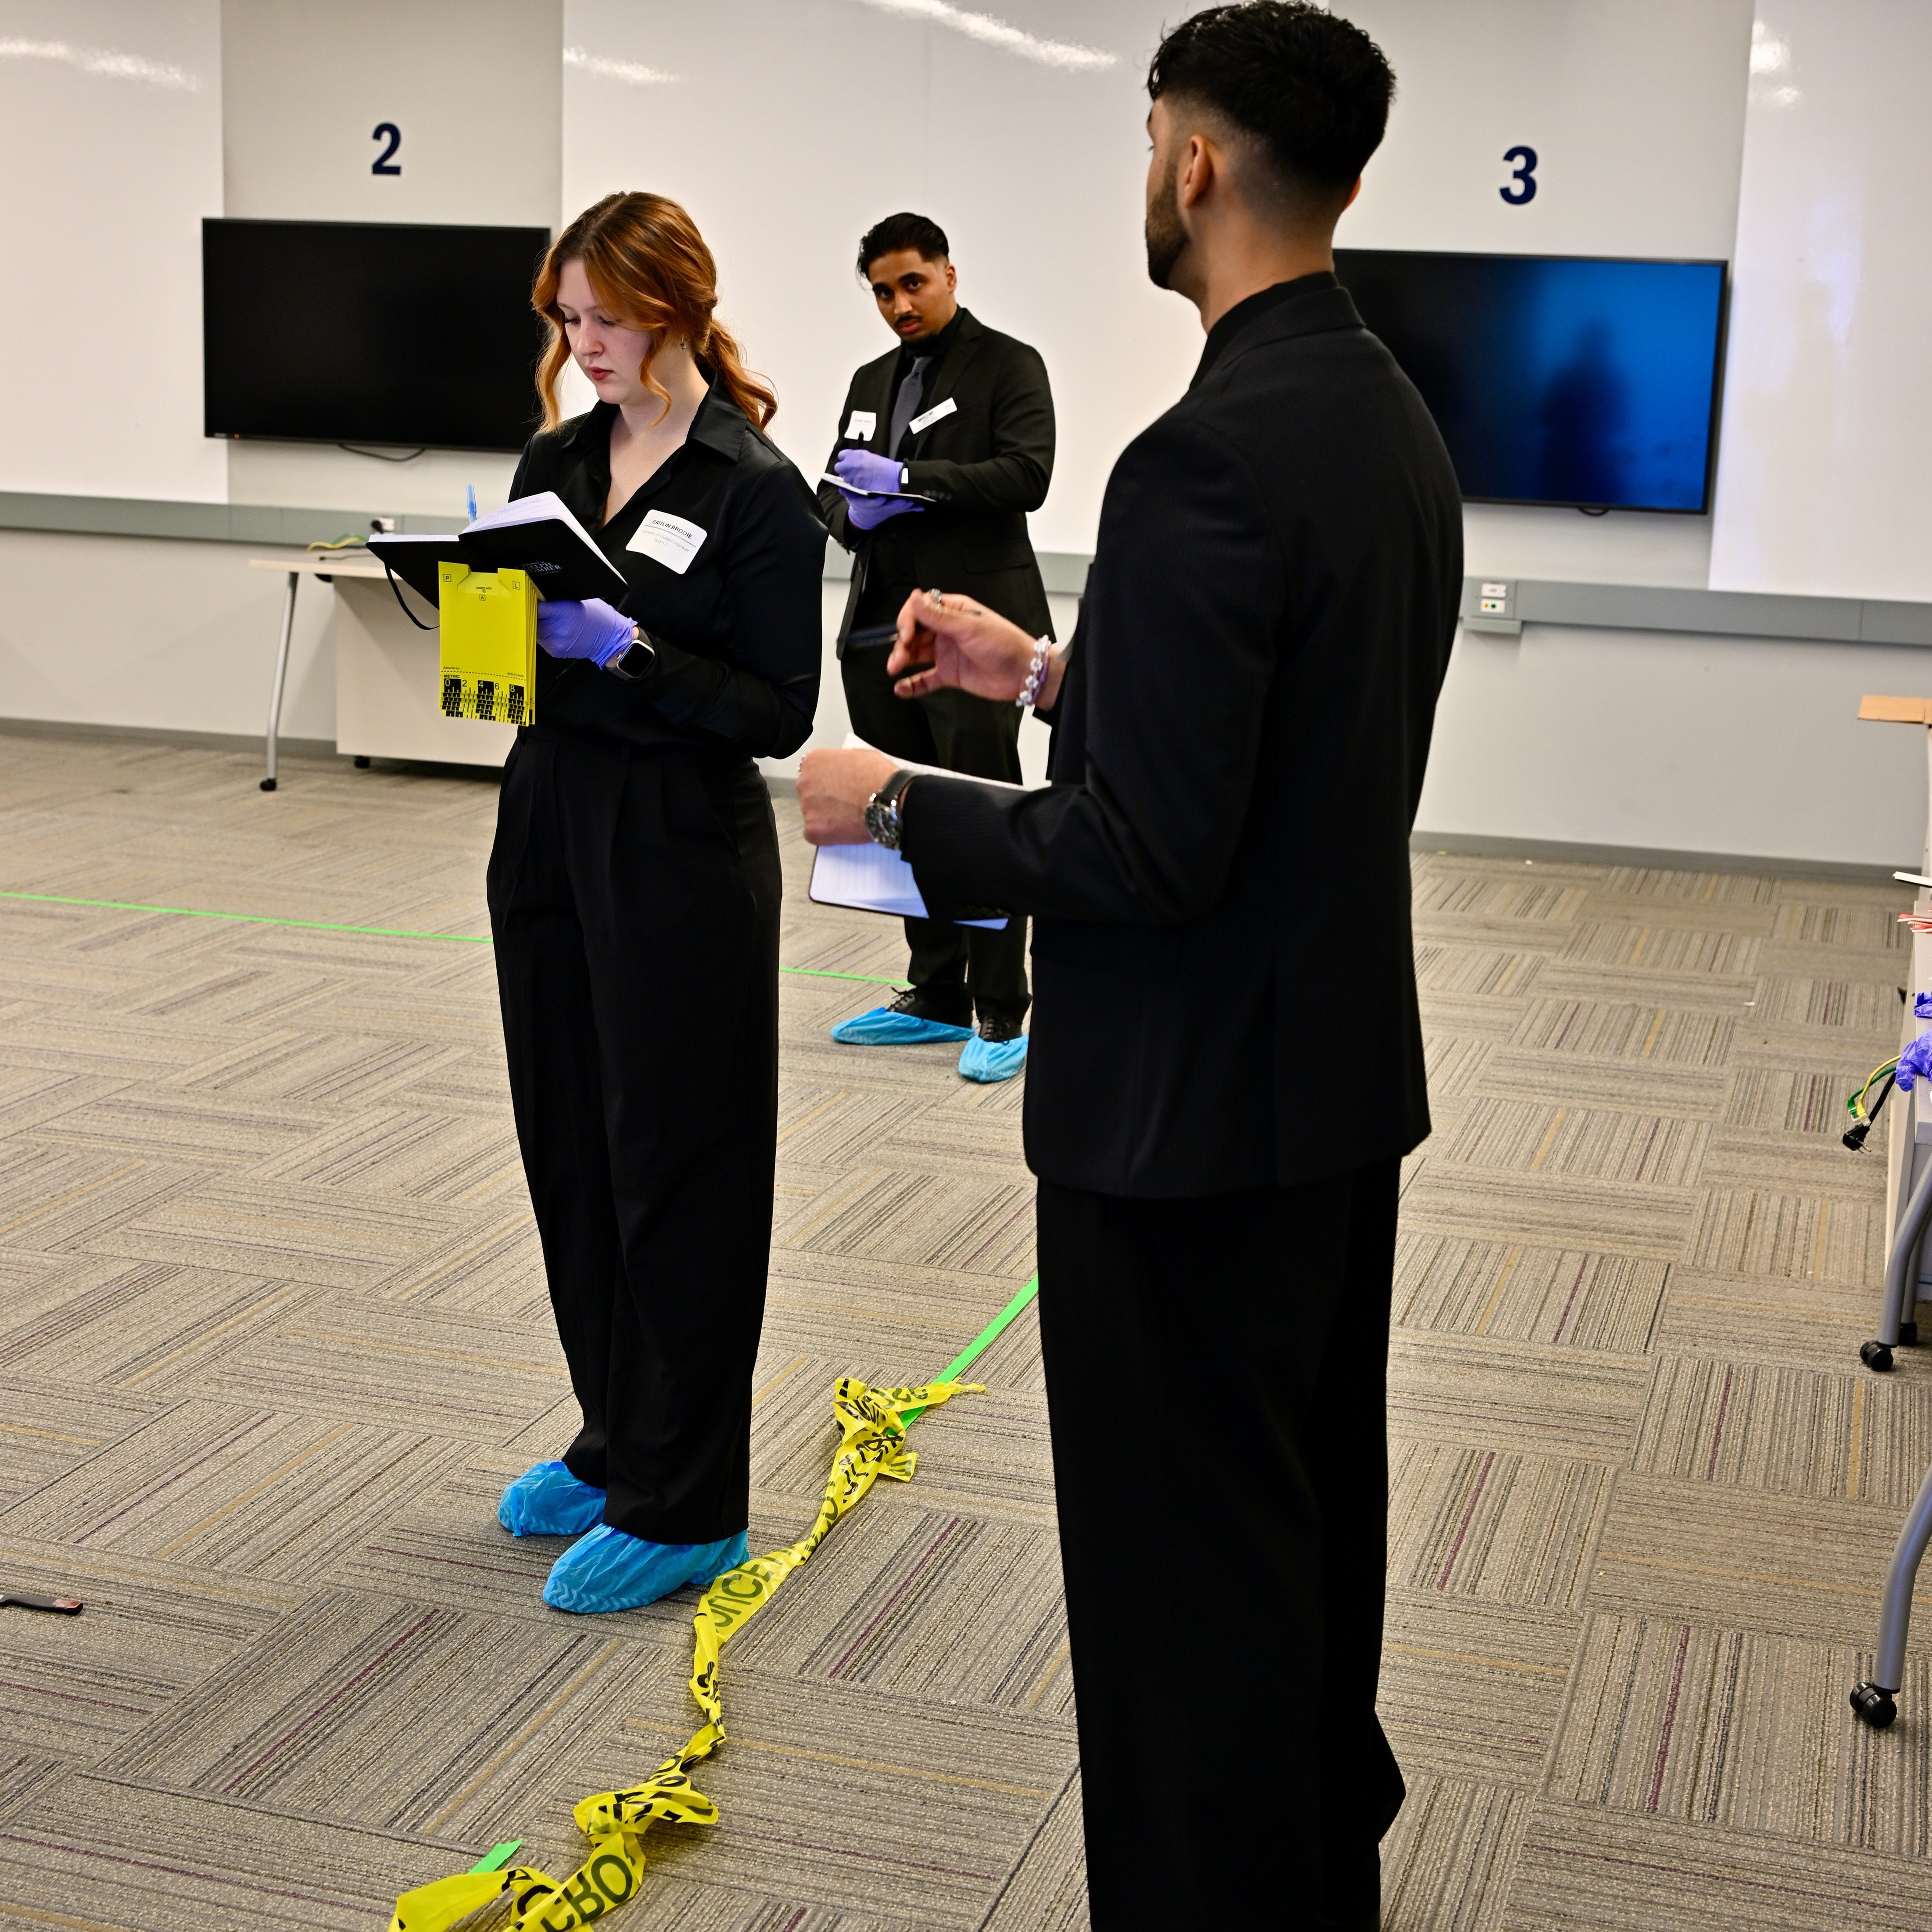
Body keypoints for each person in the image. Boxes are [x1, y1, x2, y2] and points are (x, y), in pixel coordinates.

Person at [796, 7, 1461, 1926]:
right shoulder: (1377, 416)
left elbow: (1148, 854)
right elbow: (1279, 730)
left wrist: (898, 797)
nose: (1143, 173)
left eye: (1146, 135)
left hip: (1179, 1138)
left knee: (1183, 1609)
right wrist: (1051, 677)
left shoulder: (1202, 459)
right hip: (1326, 1097)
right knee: (1295, 1546)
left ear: (1192, 161)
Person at [488, 192, 824, 1615]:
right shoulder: (558, 454)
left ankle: (688, 1497)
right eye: (568, 322)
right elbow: (498, 669)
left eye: (607, 321)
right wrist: (473, 609)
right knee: (570, 1136)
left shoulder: (754, 487)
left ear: (676, 308)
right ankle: (618, 1426)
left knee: (673, 1159)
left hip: (678, 841)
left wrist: (627, 652)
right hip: (547, 815)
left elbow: (776, 707)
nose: (584, 346)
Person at [817, 212, 1056, 1083]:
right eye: (882, 291)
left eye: (912, 283)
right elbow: (831, 488)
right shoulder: (871, 378)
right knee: (904, 815)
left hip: (976, 635)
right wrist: (853, 509)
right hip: (881, 632)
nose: (898, 304)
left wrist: (913, 483)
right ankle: (935, 991)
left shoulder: (1008, 365)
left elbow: (1028, 473)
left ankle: (1002, 1008)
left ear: (949, 274)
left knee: (982, 817)